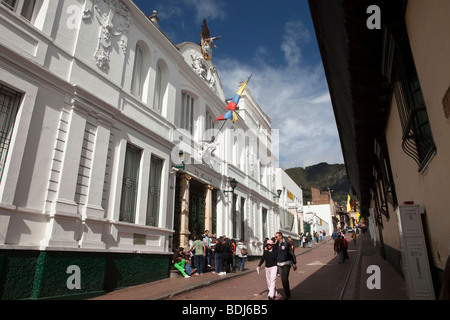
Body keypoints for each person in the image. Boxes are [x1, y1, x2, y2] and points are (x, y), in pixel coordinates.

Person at [275, 231, 297, 300]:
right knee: (283, 280)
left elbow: (291, 254)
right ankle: (287, 294)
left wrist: (294, 264)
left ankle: (288, 296)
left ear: (280, 237)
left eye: (276, 237)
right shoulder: (276, 245)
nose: (275, 238)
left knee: (284, 279)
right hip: (279, 264)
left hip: (286, 264)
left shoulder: (286, 244)